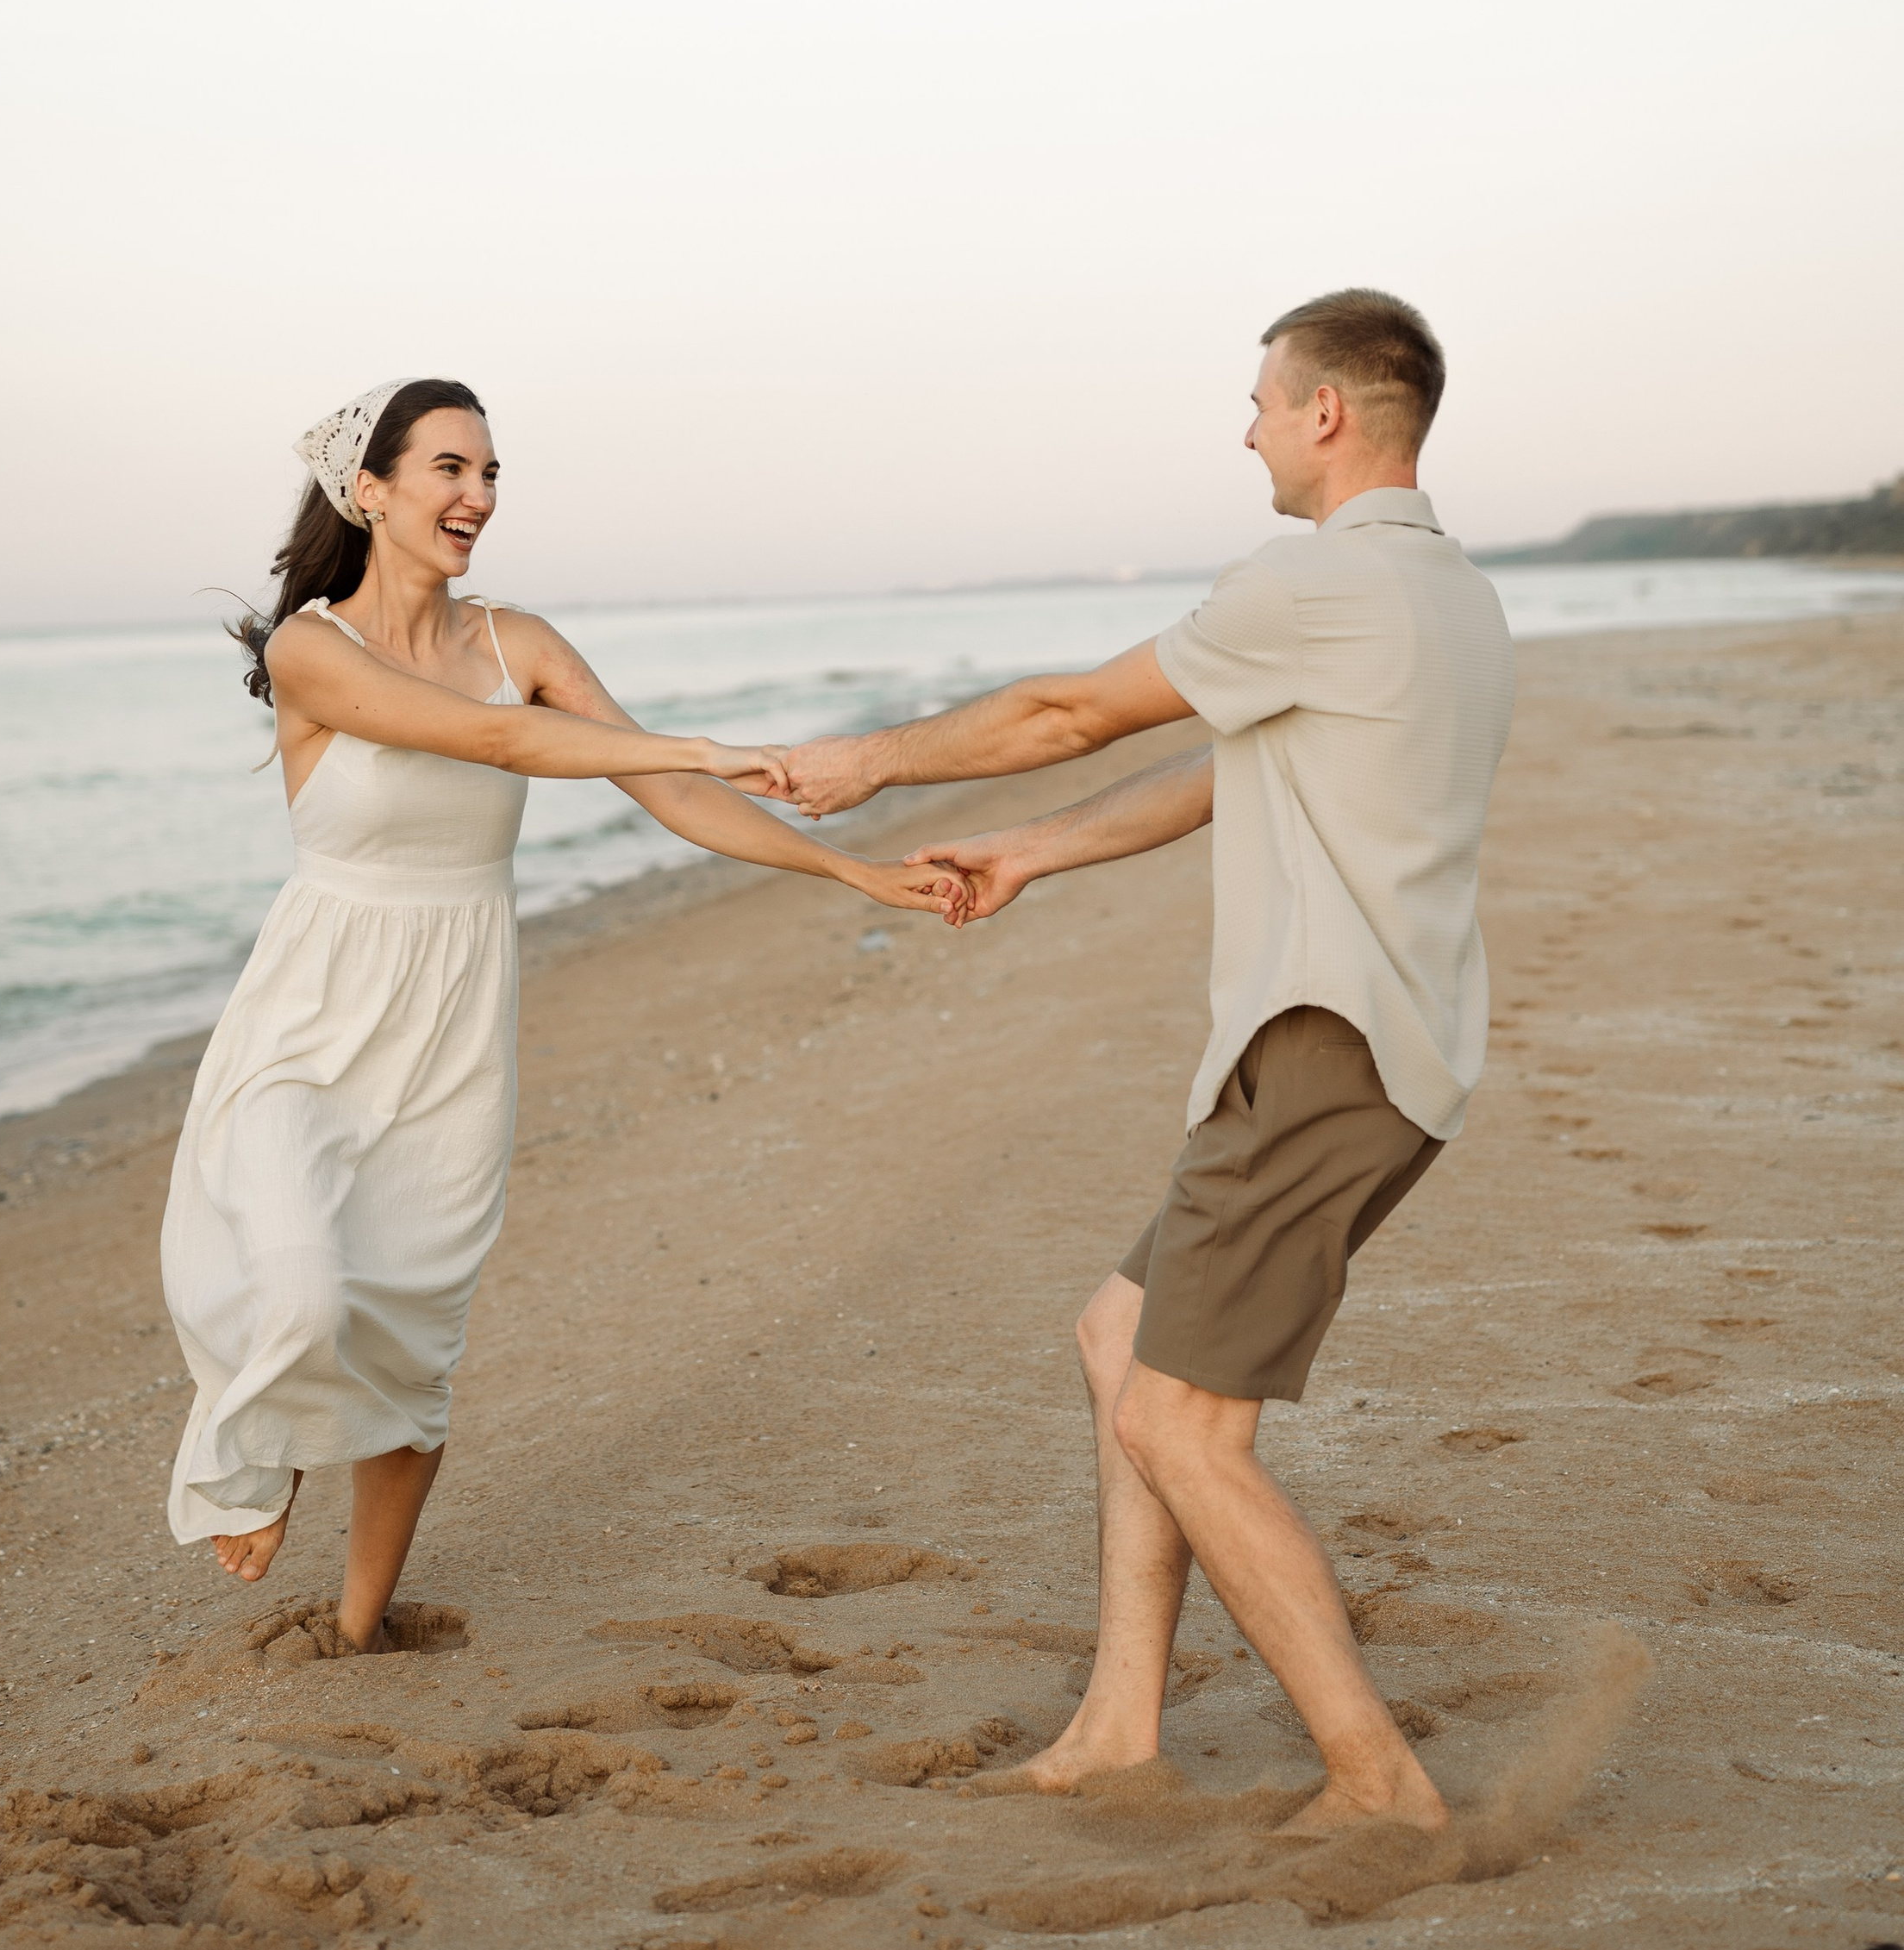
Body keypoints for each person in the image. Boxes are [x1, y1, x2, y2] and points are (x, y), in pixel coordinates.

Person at [781, 291, 1515, 1833]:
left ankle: (1377, 1780)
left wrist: (871, 758)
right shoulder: (1450, 596)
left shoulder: (1316, 582)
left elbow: (1071, 710)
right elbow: (1223, 770)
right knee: (1123, 1341)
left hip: (1327, 1050)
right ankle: (1121, 1720)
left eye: (1260, 399)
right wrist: (1038, 854)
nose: (1243, 425)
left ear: (1328, 413)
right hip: (1379, 1050)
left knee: (1184, 1425)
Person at [164, 375, 964, 1650]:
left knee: (411, 1336)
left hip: (453, 1020)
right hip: (313, 1014)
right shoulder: (311, 647)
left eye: (489, 474)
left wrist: (851, 872)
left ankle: (359, 1627)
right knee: (305, 1288)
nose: (477, 497)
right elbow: (500, 749)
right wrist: (698, 745)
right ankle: (251, 1447)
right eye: (448, 470)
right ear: (369, 490)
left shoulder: (517, 644)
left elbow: (672, 802)